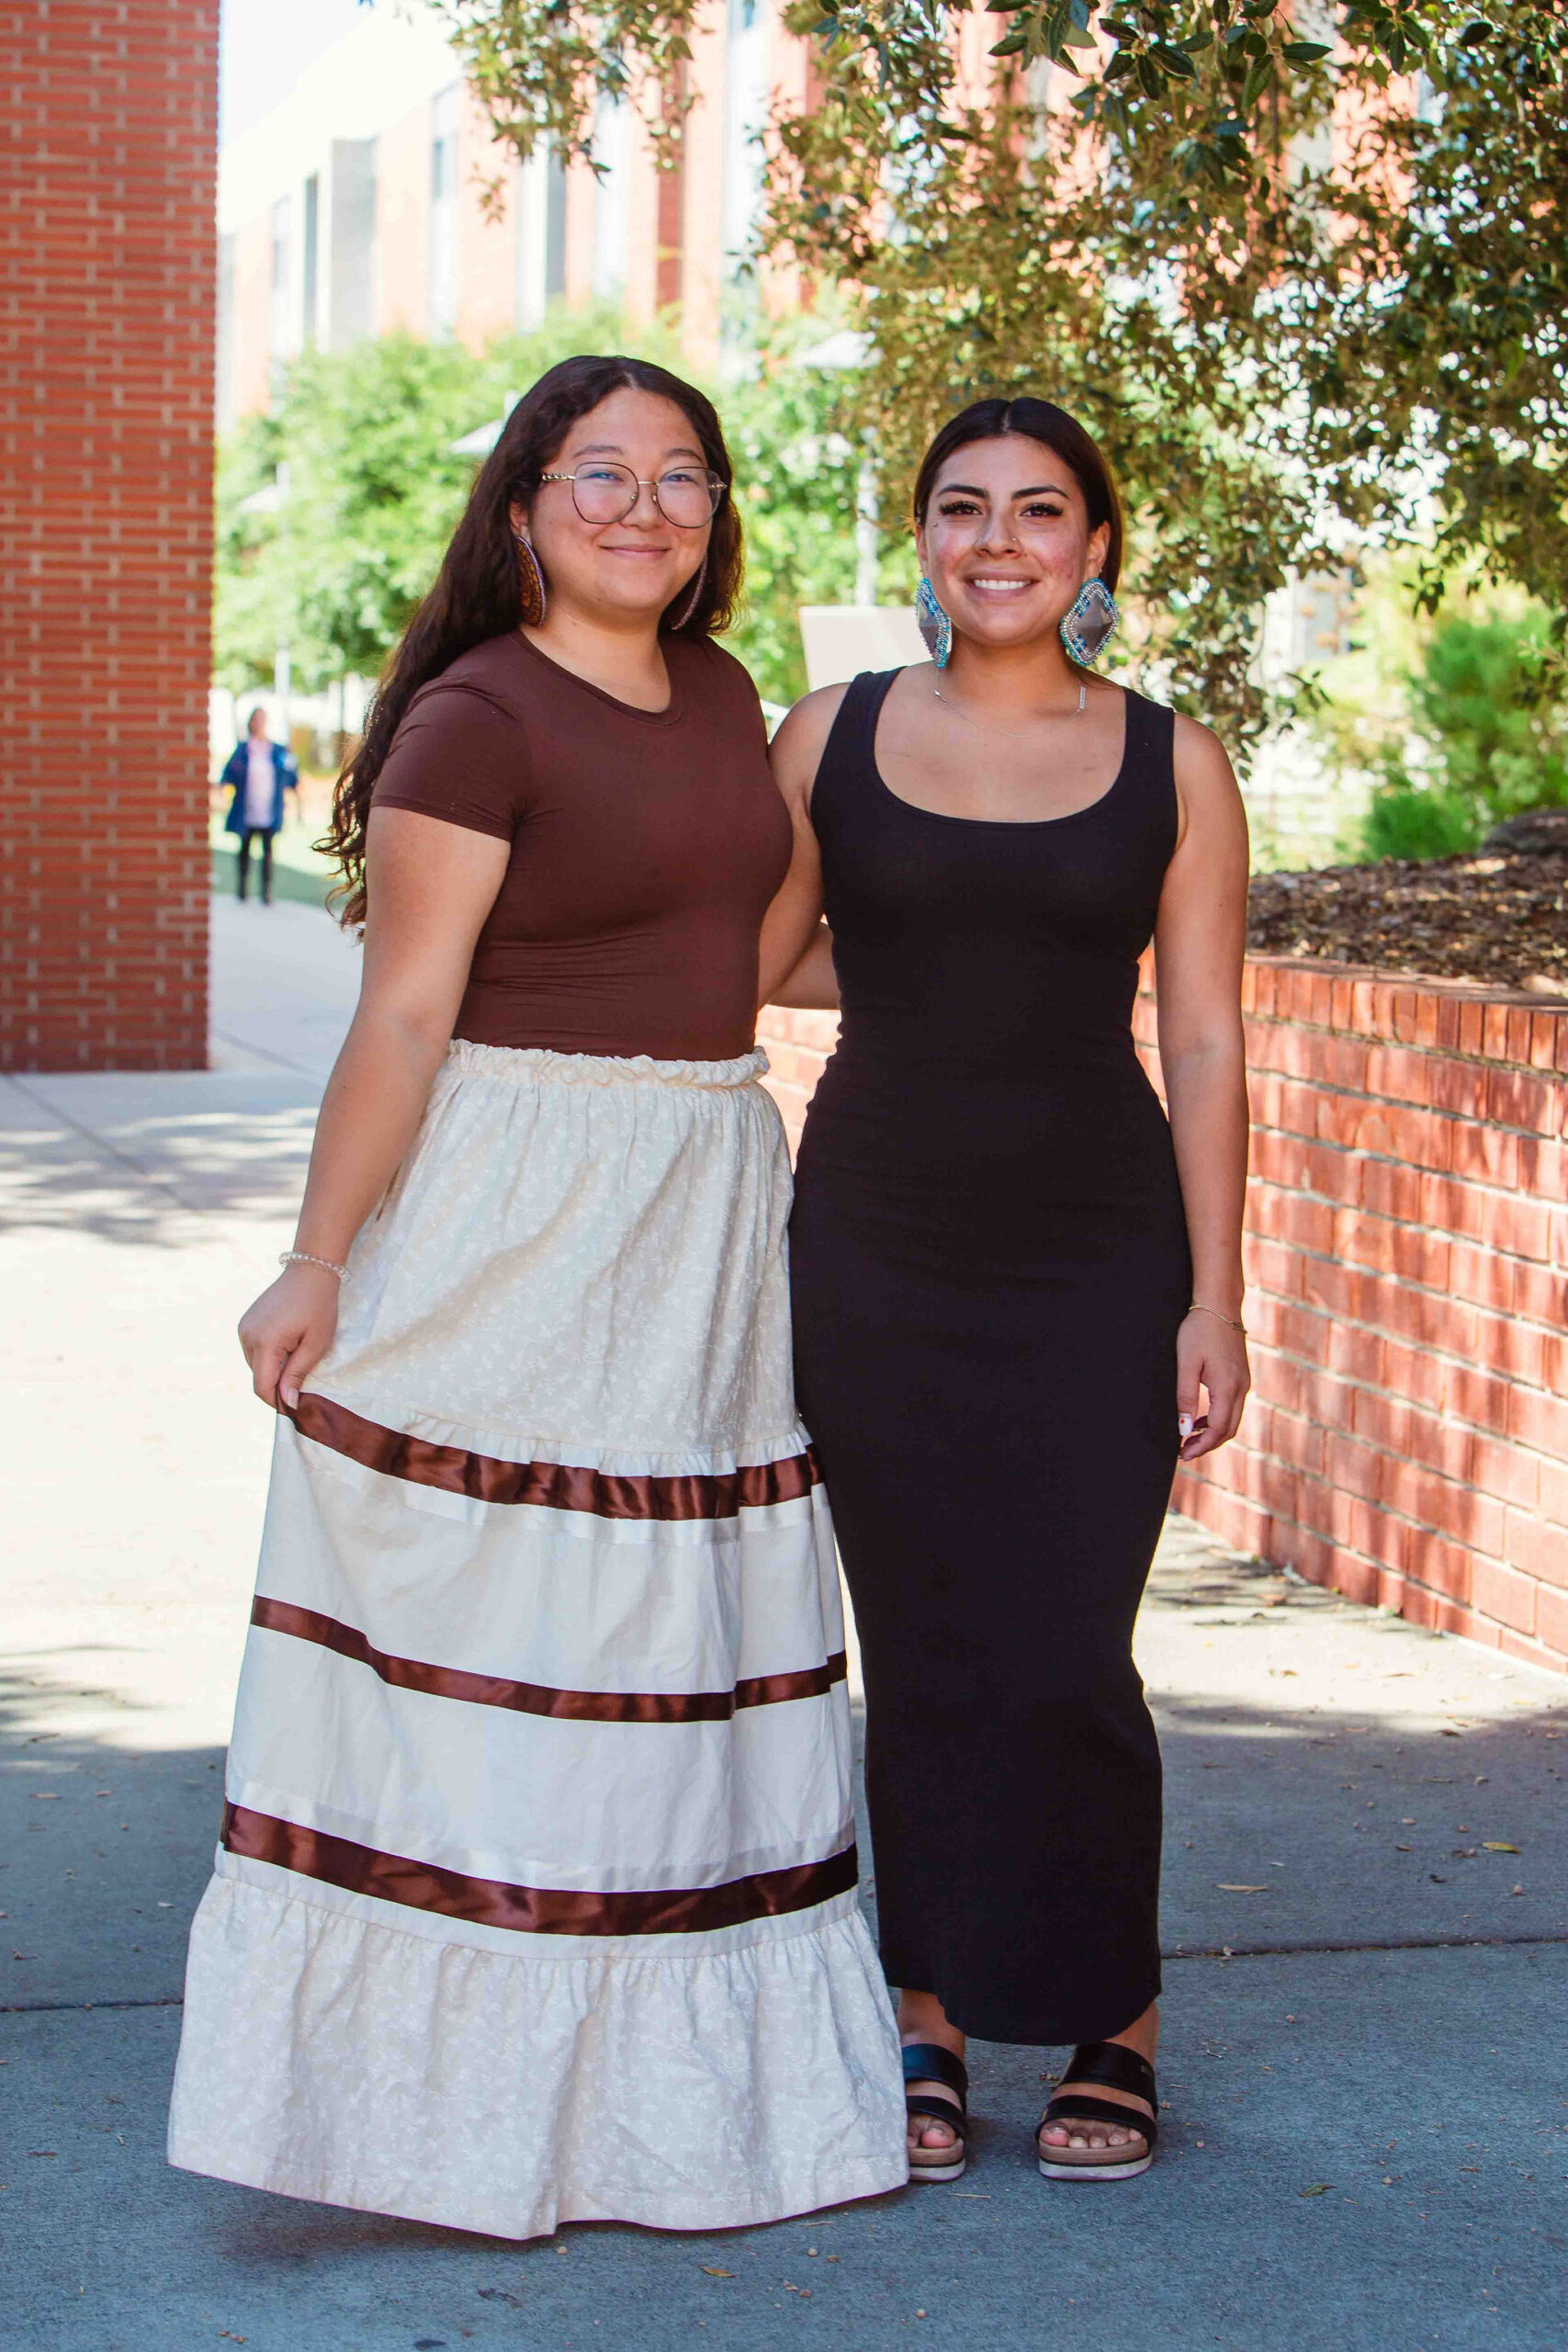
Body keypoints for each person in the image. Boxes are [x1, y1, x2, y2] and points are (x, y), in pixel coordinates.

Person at [168, 356, 907, 2239]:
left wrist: (1010, 908)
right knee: (513, 1631)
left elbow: (737, 959)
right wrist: (320, 1252)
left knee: (662, 1651)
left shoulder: (728, 695)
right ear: (520, 506)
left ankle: (658, 2122)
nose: (643, 507)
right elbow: (406, 1008)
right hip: (519, 1199)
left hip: (698, 1204)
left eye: (681, 475)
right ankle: (450, 2120)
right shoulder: (475, 717)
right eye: (600, 474)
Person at [760, 397, 1250, 2185]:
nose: (997, 538)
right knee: (927, 1645)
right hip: (876, 1241)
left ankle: (1108, 2013)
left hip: (1095, 1250)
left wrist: (1217, 1294)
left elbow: (1202, 1036)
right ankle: (930, 2009)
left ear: (1095, 545)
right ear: (921, 534)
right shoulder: (831, 731)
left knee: (1065, 1643)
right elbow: (744, 949)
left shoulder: (1169, 758)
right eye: (961, 506)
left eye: (1038, 510)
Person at [220, 706, 298, 903]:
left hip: (269, 809)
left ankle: (266, 892)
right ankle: (243, 890)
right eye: (256, 719)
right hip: (247, 809)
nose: (259, 723)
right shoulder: (243, 749)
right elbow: (228, 774)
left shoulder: (278, 750)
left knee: (268, 851)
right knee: (244, 849)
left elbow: (291, 777)